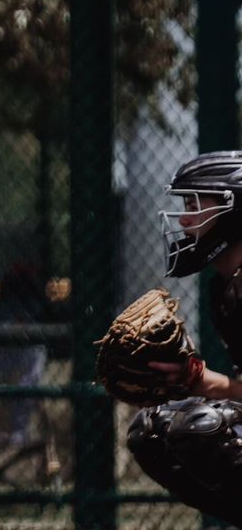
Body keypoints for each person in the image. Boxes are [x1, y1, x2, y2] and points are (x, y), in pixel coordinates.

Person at [126, 150, 242, 525]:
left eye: (194, 205)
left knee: (202, 426)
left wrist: (206, 382)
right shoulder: (224, 290)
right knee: (151, 431)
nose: (184, 219)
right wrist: (185, 381)